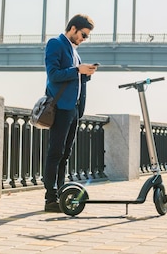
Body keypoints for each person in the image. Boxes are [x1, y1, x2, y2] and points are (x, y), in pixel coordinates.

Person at [43, 14, 97, 212]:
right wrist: (77, 71)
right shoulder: (55, 44)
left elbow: (75, 78)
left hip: (73, 109)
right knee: (55, 153)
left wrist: (86, 73)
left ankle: (61, 193)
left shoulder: (75, 52)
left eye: (86, 37)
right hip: (60, 108)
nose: (84, 39)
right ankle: (50, 198)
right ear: (73, 29)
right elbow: (54, 75)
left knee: (65, 154)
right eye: (83, 35)